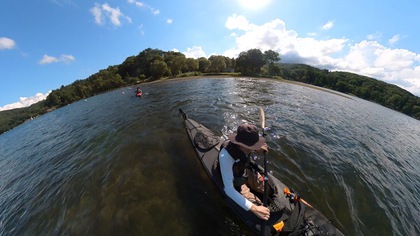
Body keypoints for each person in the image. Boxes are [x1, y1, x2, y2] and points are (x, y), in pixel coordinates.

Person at [219, 123, 270, 221]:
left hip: (243, 171)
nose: (254, 148)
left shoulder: (246, 145)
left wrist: (258, 148)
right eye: (253, 147)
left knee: (268, 188)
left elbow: (250, 148)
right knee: (257, 204)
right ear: (240, 144)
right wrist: (255, 209)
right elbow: (228, 189)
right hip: (235, 179)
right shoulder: (225, 157)